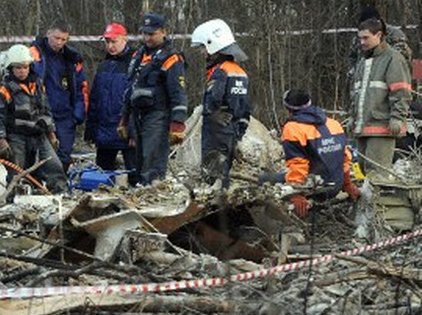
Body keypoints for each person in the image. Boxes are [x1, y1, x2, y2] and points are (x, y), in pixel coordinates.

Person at [261, 89, 358, 218]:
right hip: (336, 184)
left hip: (317, 188)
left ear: (288, 108)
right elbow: (345, 158)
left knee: (263, 180)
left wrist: (296, 193)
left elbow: (298, 164)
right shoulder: (334, 123)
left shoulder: (293, 128)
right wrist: (347, 183)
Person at [120, 12, 188, 185]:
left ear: (163, 32)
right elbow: (130, 89)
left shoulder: (171, 57)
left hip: (158, 115)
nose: (147, 37)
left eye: (152, 34)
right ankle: (142, 192)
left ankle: (154, 190)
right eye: (145, 33)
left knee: (153, 160)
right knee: (139, 161)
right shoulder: (138, 56)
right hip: (137, 115)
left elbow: (178, 93)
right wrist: (124, 119)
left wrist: (177, 123)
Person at [0, 44, 66, 193]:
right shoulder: (4, 90)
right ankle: (12, 202)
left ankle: (59, 197)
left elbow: (45, 110)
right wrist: (0, 140)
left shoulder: (37, 84)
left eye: (25, 67)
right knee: (16, 173)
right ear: (11, 68)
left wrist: (51, 133)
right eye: (18, 67)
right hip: (17, 137)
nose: (22, 71)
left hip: (38, 135)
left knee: (54, 167)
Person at [190, 19, 251, 186]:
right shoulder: (240, 72)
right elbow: (245, 110)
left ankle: (216, 208)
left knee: (212, 176)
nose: (202, 52)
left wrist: (211, 115)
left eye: (203, 47)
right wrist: (238, 134)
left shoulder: (220, 72)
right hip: (232, 131)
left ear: (213, 46)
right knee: (224, 174)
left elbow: (212, 102)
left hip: (216, 132)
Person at [350, 17, 412, 184]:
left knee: (377, 173)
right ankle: (369, 206)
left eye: (366, 38)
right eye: (360, 38)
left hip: (382, 127)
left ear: (378, 35)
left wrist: (397, 118)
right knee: (363, 169)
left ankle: (382, 208)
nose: (361, 42)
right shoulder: (363, 61)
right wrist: (353, 118)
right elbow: (356, 94)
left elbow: (402, 92)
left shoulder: (393, 59)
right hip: (363, 126)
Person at [29, 24, 87, 170]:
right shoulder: (34, 54)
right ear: (48, 34)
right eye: (56, 38)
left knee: (64, 155)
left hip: (65, 114)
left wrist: (78, 114)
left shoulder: (72, 58)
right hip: (41, 114)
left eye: (64, 39)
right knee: (43, 155)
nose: (59, 42)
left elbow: (81, 88)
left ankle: (61, 185)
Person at [85, 22, 136, 175]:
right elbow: (95, 99)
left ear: (124, 40)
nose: (110, 46)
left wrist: (134, 131)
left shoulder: (135, 64)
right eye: (108, 42)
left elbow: (137, 101)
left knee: (135, 176)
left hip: (125, 129)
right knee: (101, 176)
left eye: (114, 41)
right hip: (105, 131)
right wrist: (91, 128)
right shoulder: (104, 65)